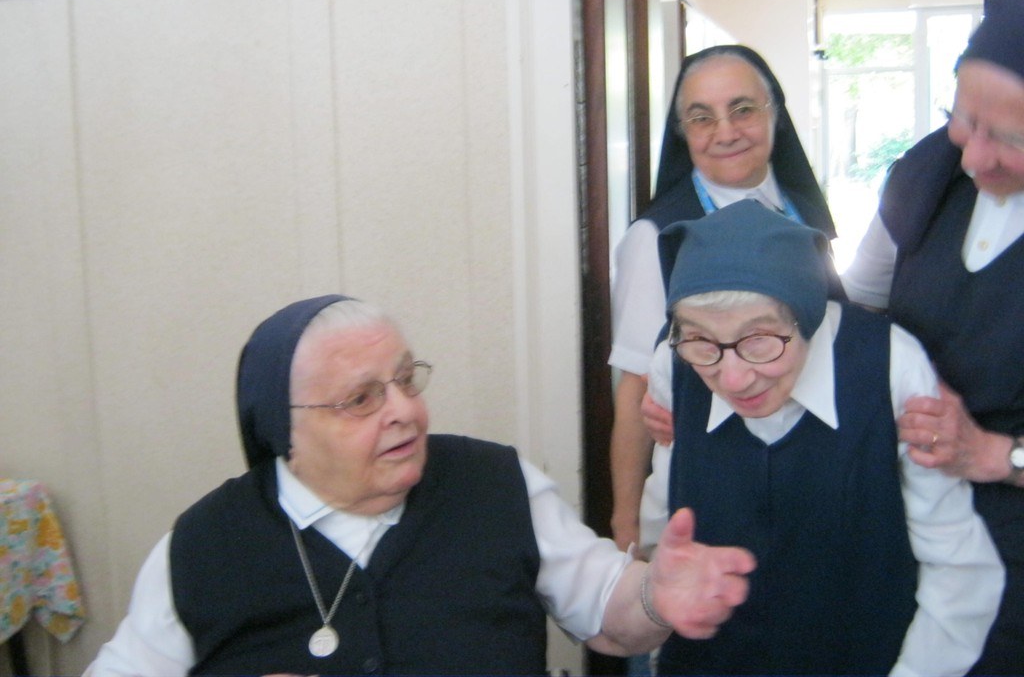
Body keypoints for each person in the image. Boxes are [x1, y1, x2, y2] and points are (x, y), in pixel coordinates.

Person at [85, 294, 756, 676]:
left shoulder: (496, 485)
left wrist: (655, 596)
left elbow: (610, 614)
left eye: (406, 380)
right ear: (284, 431)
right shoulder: (203, 547)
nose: (404, 410)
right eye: (361, 399)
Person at [646, 200, 1002, 676]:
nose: (733, 379)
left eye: (759, 340)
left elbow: (957, 565)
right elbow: (663, 518)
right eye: (702, 341)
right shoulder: (674, 365)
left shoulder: (889, 365)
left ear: (807, 317)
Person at [842, 0, 1024, 675]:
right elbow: (854, 309)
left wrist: (997, 455)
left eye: (1008, 138)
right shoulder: (924, 177)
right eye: (963, 119)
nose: (973, 156)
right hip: (907, 521)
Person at [609, 44, 838, 553]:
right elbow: (635, 387)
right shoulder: (655, 237)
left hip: (819, 472)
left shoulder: (803, 212)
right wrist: (625, 528)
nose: (726, 132)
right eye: (701, 118)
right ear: (682, 133)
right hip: (711, 483)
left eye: (742, 110)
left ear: (775, 114)